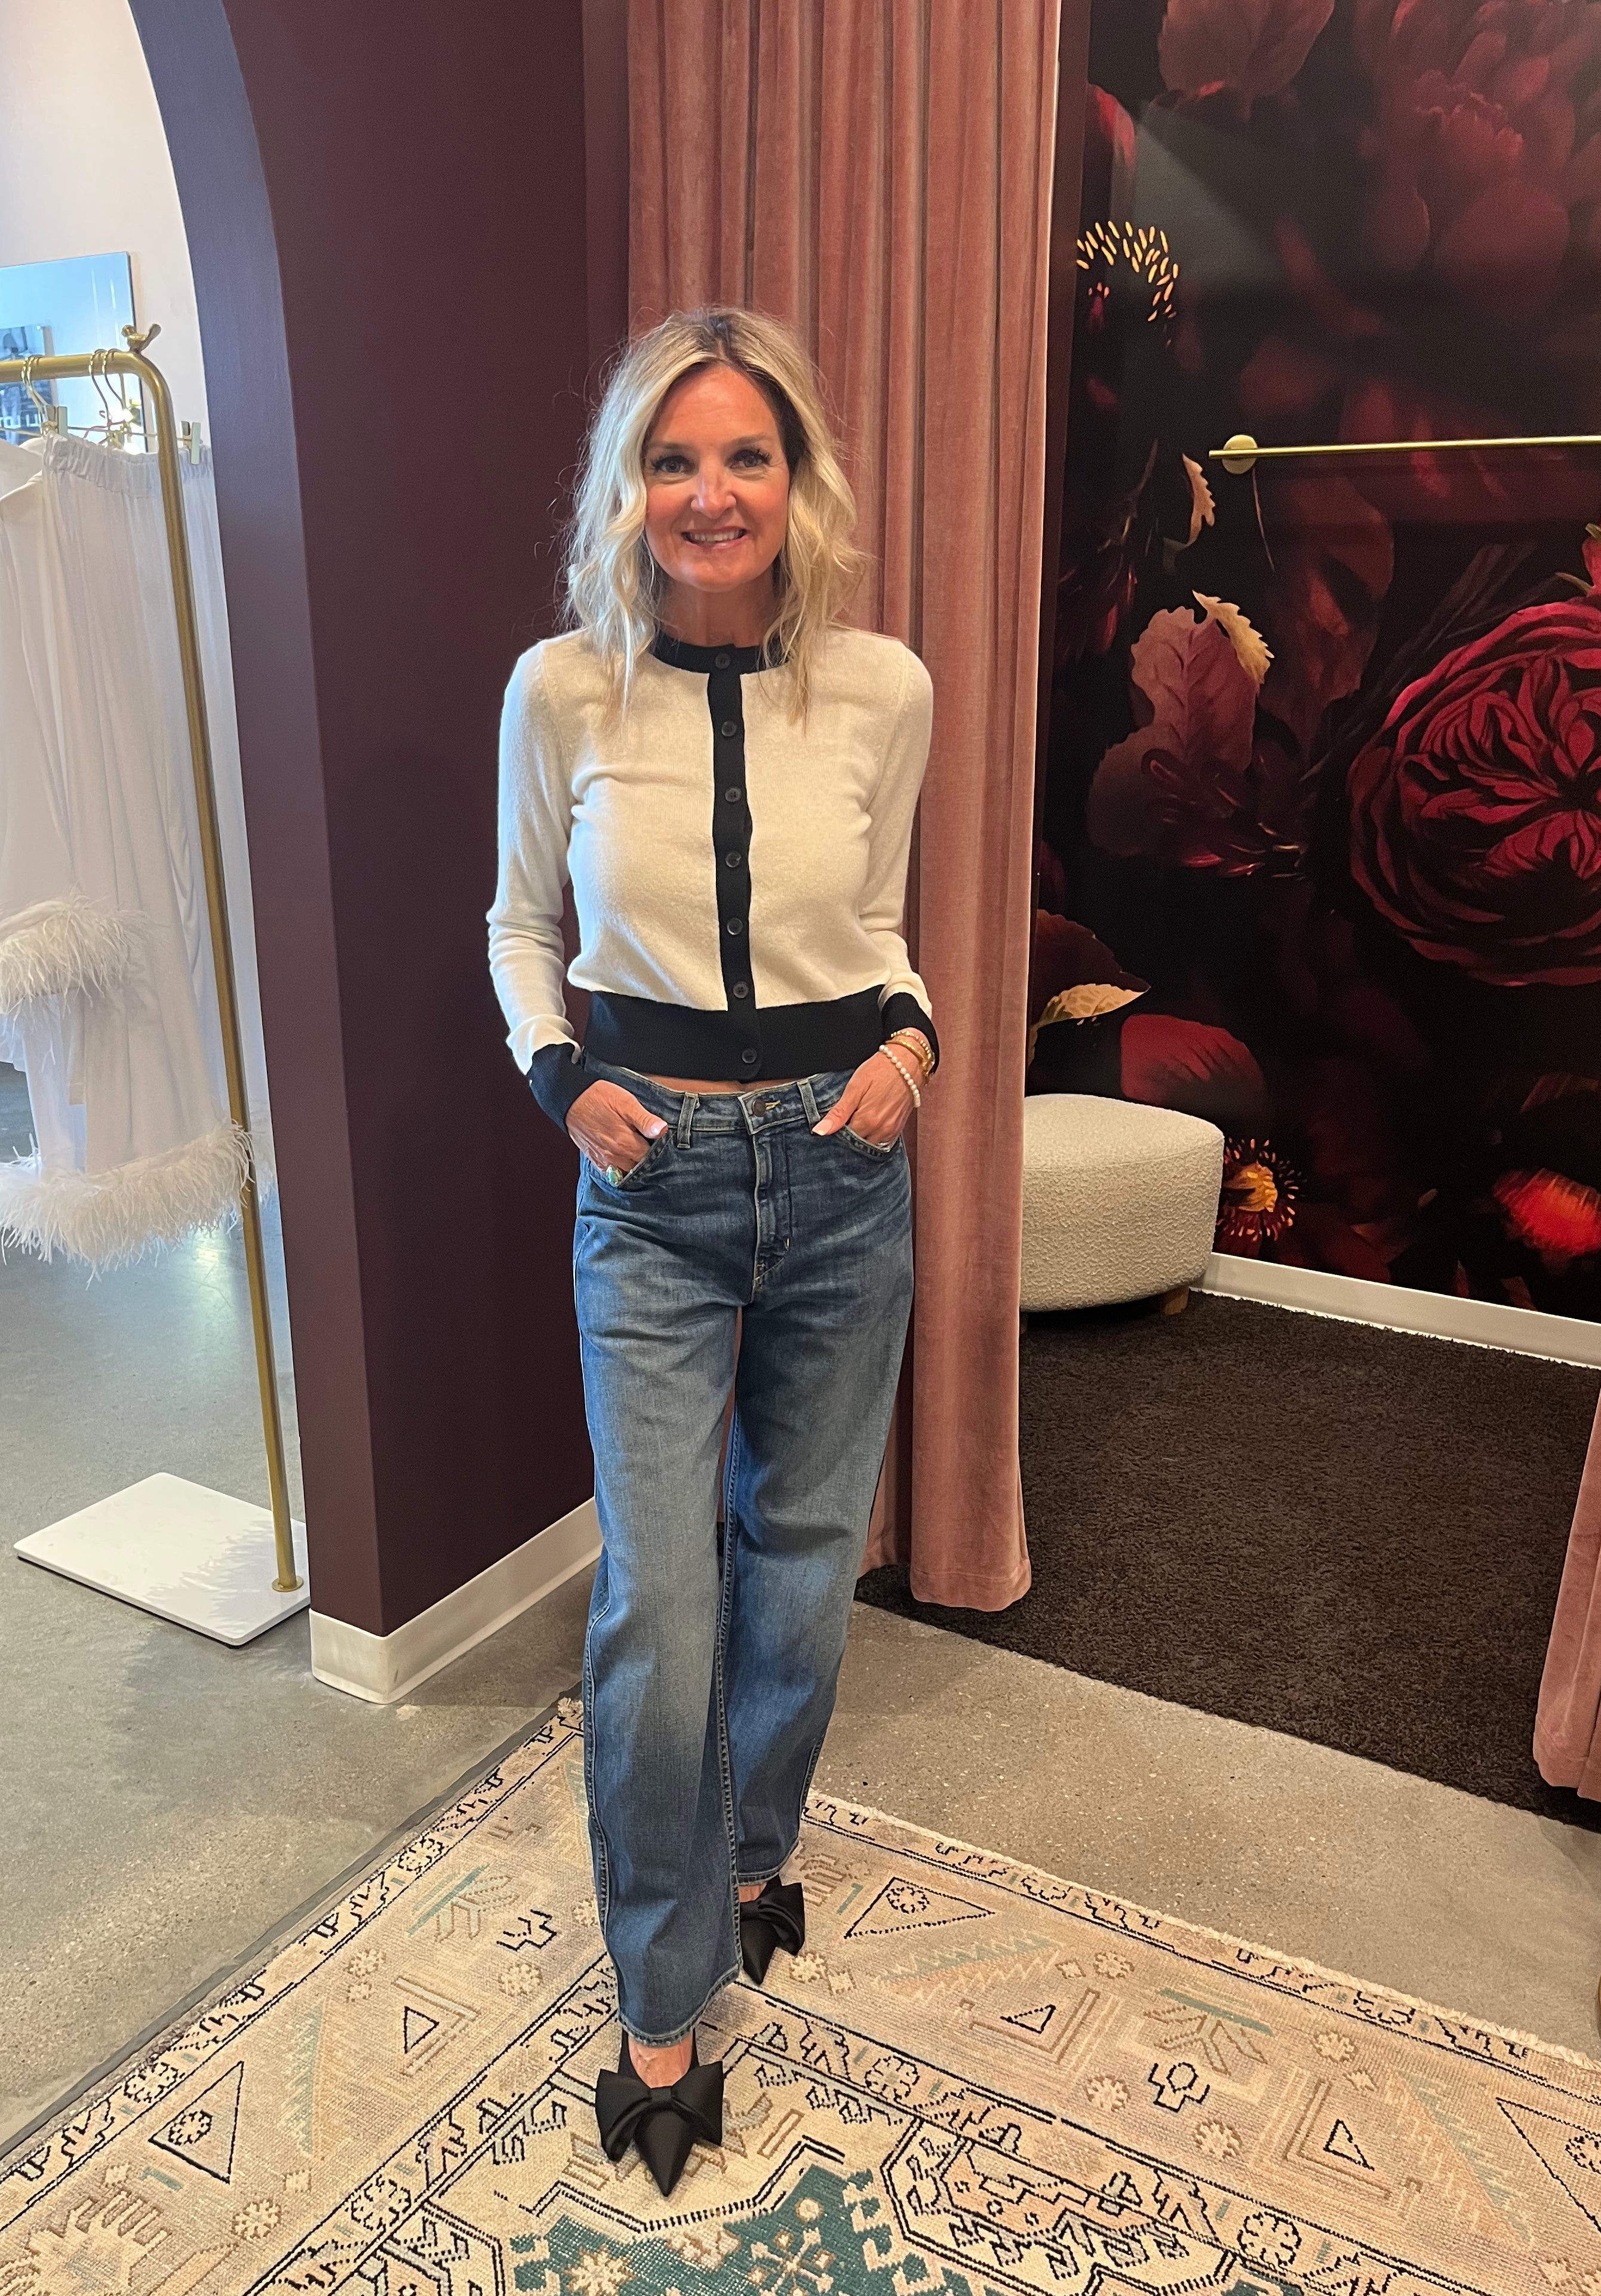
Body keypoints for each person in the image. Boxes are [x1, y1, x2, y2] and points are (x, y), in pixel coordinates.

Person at [487, 306, 937, 2195]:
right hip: (653, 1187)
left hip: (843, 1170)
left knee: (806, 1573)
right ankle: (662, 1995)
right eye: (675, 459)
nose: (712, 491)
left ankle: (753, 1856)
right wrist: (558, 1073)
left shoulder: (884, 689)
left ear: (797, 480)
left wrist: (914, 1043)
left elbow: (886, 923)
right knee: (660, 1607)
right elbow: (520, 923)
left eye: (748, 455)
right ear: (630, 489)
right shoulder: (563, 691)